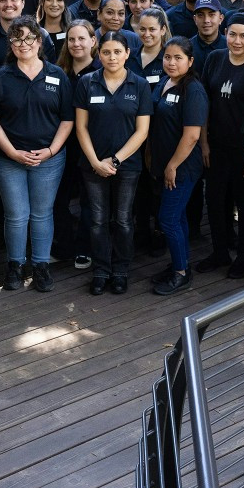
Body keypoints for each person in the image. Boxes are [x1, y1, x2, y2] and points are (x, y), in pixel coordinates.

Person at [0, 16, 75, 293]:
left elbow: (67, 119)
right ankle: (14, 265)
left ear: (39, 41)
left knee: (41, 214)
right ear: (10, 44)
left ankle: (40, 266)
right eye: (16, 39)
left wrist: (51, 150)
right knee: (16, 215)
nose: (23, 44)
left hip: (48, 159)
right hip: (10, 158)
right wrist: (11, 152)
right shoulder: (1, 77)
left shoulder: (57, 75)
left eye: (28, 38)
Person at [74, 30, 152, 295]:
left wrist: (116, 160)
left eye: (118, 51)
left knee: (123, 220)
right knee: (96, 220)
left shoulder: (139, 84)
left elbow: (142, 131)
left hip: (127, 166)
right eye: (106, 52)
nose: (111, 57)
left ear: (128, 53)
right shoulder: (87, 82)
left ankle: (120, 270)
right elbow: (81, 127)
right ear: (98, 53)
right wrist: (96, 161)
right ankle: (101, 270)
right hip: (93, 165)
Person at [199, 13, 244, 279]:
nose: (237, 41)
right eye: (233, 34)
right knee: (214, 199)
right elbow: (204, 103)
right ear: (225, 33)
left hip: (243, 148)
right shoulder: (215, 59)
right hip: (215, 144)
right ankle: (219, 251)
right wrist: (203, 142)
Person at [149, 38, 209, 296]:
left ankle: (181, 274)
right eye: (167, 57)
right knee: (179, 216)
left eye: (178, 58)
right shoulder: (165, 82)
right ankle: (179, 263)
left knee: (168, 218)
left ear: (190, 61)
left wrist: (172, 165)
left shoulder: (193, 90)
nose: (171, 62)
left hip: (182, 167)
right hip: (164, 163)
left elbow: (192, 135)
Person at [53, 20, 99, 268]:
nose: (76, 44)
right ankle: (64, 245)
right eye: (72, 39)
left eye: (82, 38)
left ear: (93, 41)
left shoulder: (102, 70)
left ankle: (84, 248)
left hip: (91, 147)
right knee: (58, 199)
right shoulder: (59, 72)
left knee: (89, 201)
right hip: (62, 147)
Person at [130, 5, 171, 85]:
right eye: (143, 29)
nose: (147, 34)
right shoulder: (129, 56)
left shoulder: (169, 59)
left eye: (152, 29)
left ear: (163, 30)